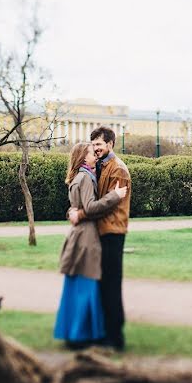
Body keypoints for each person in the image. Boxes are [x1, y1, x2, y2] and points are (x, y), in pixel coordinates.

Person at [53, 142, 127, 349]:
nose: (94, 154)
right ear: (83, 158)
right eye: (90, 152)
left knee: (76, 287)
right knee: (85, 288)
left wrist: (73, 212)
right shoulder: (85, 177)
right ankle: (79, 337)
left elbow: (77, 207)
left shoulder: (79, 176)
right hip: (86, 238)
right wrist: (115, 196)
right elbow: (91, 207)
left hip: (80, 236)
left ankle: (73, 334)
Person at [69, 126, 132, 351]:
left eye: (99, 144)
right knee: (103, 285)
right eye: (93, 144)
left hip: (112, 232)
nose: (96, 149)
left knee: (111, 285)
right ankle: (106, 332)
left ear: (110, 144)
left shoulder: (118, 170)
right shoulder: (101, 166)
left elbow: (104, 206)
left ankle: (115, 337)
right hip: (102, 232)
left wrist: (80, 214)